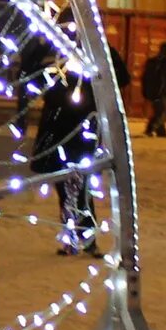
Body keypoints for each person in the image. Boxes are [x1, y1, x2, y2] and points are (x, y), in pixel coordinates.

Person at [31, 64, 97, 252]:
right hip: (72, 148)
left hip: (71, 148)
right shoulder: (72, 86)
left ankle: (80, 240)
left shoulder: (71, 87)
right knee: (77, 195)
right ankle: (80, 240)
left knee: (76, 195)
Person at [139, 42, 166, 139]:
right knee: (161, 112)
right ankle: (150, 128)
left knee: (159, 110)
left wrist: (146, 90)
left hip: (155, 92)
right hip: (162, 92)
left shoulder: (153, 62)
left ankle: (161, 131)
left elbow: (145, 77)